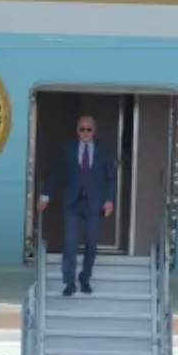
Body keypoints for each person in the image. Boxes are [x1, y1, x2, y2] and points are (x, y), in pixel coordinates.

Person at [37, 115, 117, 297]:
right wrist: (45, 196)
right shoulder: (68, 148)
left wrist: (109, 200)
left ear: (94, 131)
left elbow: (111, 179)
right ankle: (69, 282)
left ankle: (85, 278)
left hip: (94, 204)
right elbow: (56, 172)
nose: (85, 133)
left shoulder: (104, 151)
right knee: (70, 244)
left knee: (91, 243)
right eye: (82, 129)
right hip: (72, 203)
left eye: (89, 129)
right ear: (77, 131)